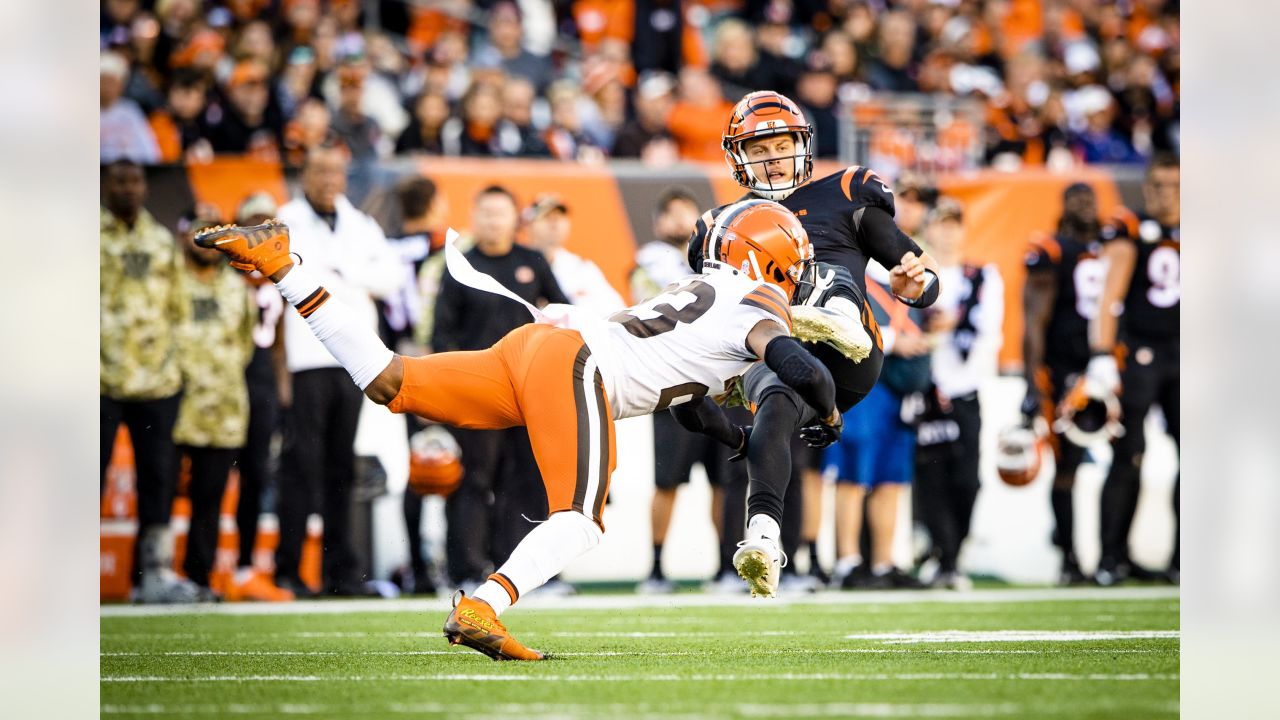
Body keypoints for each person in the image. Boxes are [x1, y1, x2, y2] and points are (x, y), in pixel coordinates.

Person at [196, 199, 840, 659]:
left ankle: (286, 267)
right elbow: (801, 366)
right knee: (581, 518)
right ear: (776, 260)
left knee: (390, 381)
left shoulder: (701, 290)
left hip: (537, 347)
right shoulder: (758, 303)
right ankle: (482, 607)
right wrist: (829, 409)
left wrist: (736, 442)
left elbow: (689, 404)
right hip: (577, 364)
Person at [682, 91, 941, 597]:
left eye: (779, 146)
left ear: (800, 145)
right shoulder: (719, 225)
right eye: (758, 150)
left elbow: (918, 272)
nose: (772, 158)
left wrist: (916, 286)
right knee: (775, 403)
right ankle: (763, 537)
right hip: (776, 350)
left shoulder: (845, 192)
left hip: (849, 352)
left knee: (822, 277)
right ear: (739, 158)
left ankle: (832, 311)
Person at [273, 143, 402, 597]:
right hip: (307, 359)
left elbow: (392, 277)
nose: (329, 180)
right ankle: (287, 571)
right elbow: (275, 284)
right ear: (304, 175)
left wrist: (344, 272)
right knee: (301, 466)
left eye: (336, 172)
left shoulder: (361, 225)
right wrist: (350, 277)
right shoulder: (284, 220)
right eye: (320, 171)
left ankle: (339, 573)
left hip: (354, 360)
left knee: (341, 466)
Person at [431, 185, 569, 592]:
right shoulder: (459, 266)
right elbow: (442, 333)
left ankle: (528, 573)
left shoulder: (532, 261)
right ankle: (468, 569)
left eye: (501, 213)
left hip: (531, 392)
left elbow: (562, 314)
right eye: (486, 213)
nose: (493, 220)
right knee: (474, 480)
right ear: (474, 217)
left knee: (530, 480)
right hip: (477, 390)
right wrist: (453, 384)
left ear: (515, 219)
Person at [628, 188, 749, 594]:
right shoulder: (648, 263)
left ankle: (723, 567)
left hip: (720, 388)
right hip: (675, 387)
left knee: (724, 481)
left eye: (689, 214)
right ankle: (657, 567)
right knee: (667, 482)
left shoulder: (721, 264)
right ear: (660, 222)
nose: (683, 222)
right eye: (674, 214)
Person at [101, 159, 195, 603]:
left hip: (157, 382)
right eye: (120, 180)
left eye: (135, 180)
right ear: (106, 186)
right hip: (97, 379)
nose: (129, 187)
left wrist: (179, 370)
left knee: (157, 480)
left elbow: (179, 307)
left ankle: (153, 574)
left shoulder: (161, 241)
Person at [1089, 153, 1180, 586]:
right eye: (1160, 185)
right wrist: (1102, 352)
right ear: (1147, 188)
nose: (1167, 194)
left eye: (1176, 185)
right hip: (1140, 353)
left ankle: (1183, 558)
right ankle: (1112, 556)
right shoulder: (1130, 228)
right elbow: (1110, 292)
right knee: (1130, 454)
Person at [914, 199, 1004, 591]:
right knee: (931, 477)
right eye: (941, 224)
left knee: (968, 479)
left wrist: (953, 325)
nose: (948, 232)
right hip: (927, 391)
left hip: (965, 388)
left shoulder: (982, 276)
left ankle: (953, 551)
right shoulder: (914, 275)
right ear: (929, 230)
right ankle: (944, 556)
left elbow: (990, 332)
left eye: (955, 224)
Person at [1022, 183, 1109, 585]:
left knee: (1129, 457)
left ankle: (1113, 556)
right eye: (1077, 200)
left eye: (1089, 199)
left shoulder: (1116, 245)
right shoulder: (1052, 251)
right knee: (1067, 467)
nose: (1085, 207)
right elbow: (1034, 321)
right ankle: (1070, 556)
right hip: (1065, 370)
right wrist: (1032, 381)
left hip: (1112, 365)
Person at [172, 207, 256, 600]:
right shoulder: (167, 281)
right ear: (185, 235)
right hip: (170, 404)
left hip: (223, 410)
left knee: (210, 500)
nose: (206, 241)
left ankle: (199, 578)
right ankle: (148, 576)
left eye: (213, 232)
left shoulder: (236, 287)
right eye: (199, 232)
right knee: (158, 494)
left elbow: (244, 345)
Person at [227, 193, 294, 602]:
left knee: (256, 474)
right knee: (210, 474)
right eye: (252, 223)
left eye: (265, 224)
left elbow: (282, 334)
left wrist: (283, 385)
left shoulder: (279, 268)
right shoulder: (223, 270)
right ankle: (199, 570)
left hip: (263, 378)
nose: (259, 232)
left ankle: (245, 568)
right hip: (221, 379)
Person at [525, 194, 625, 316]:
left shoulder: (582, 268)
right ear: (529, 225)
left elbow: (615, 310)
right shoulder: (517, 265)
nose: (554, 223)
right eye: (546, 217)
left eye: (559, 217)